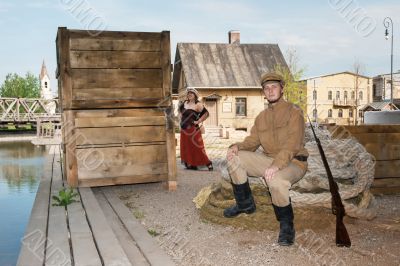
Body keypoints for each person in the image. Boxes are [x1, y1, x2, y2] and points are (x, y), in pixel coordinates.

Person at [224, 72, 308, 246]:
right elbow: (252, 142)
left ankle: (287, 225)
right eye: (266, 88)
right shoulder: (261, 117)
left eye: (274, 87)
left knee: (276, 181)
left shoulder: (294, 111)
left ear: (282, 89)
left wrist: (276, 166)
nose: (270, 91)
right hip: (269, 160)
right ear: (264, 92)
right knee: (234, 158)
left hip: (294, 161)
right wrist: (237, 146)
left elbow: (293, 144)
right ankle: (245, 205)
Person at [178, 88, 213, 171]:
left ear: (195, 95)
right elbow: (180, 113)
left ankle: (208, 163)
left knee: (197, 148)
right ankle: (192, 164)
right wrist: (180, 121)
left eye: (191, 93)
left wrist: (198, 121)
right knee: (186, 147)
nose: (189, 94)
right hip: (184, 129)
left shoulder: (198, 104)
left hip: (193, 129)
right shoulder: (184, 103)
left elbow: (206, 113)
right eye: (188, 93)